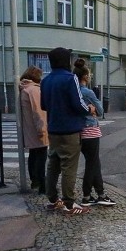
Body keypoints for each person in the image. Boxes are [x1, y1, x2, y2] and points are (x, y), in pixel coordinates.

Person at [40, 47, 94, 215]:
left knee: (53, 165)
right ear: (66, 61)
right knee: (69, 167)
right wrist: (89, 109)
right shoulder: (70, 79)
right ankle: (69, 204)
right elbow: (78, 104)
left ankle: (53, 199)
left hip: (53, 129)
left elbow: (43, 106)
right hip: (70, 130)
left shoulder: (45, 80)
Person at [73, 59, 116, 206]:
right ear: (85, 76)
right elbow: (101, 110)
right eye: (89, 74)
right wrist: (92, 108)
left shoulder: (73, 91)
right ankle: (86, 195)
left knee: (94, 162)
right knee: (92, 164)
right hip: (90, 130)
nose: (90, 76)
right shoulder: (87, 92)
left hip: (78, 130)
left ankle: (101, 193)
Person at [18, 66, 48, 194]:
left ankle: (35, 180)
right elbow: (38, 111)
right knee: (41, 156)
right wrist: (42, 129)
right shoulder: (33, 90)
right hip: (36, 129)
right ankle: (42, 185)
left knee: (34, 155)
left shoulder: (24, 89)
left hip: (30, 129)